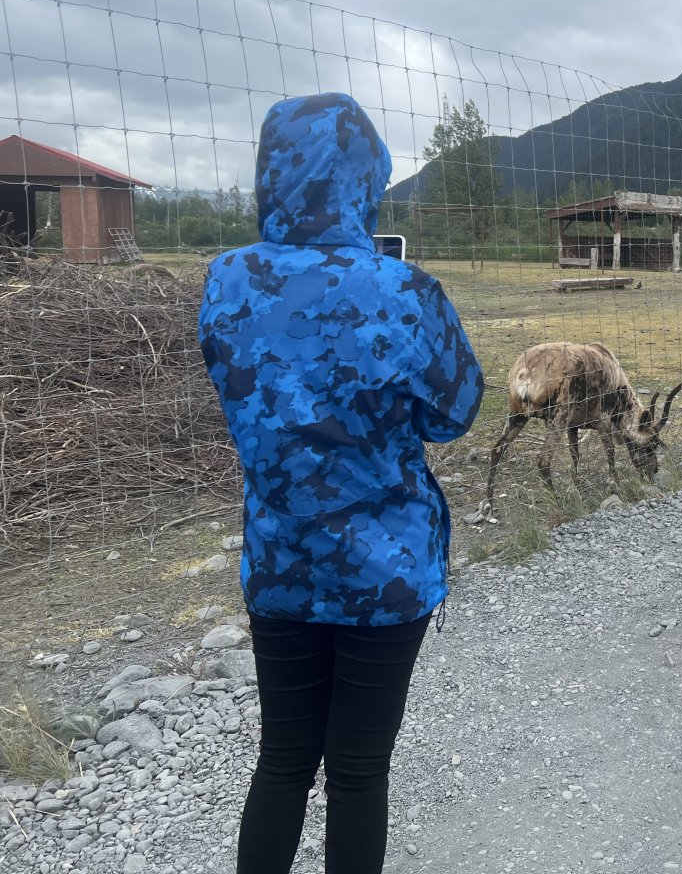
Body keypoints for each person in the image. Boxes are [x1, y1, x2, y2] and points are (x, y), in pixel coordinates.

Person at [198, 92, 483, 874]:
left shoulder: (227, 281)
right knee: (358, 771)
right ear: (365, 178)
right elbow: (453, 415)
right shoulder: (403, 291)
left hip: (280, 563)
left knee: (282, 761)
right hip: (384, 573)